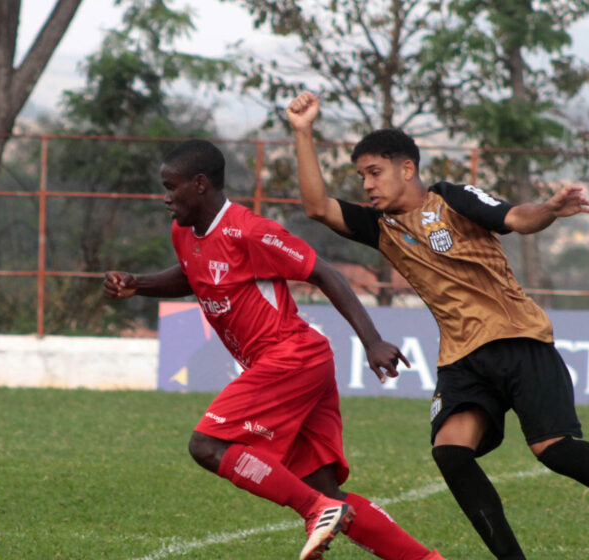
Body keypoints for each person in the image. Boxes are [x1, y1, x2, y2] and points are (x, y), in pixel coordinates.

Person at [286, 91, 589, 560]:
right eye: (361, 176)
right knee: (450, 452)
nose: (366, 185)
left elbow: (515, 219)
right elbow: (318, 207)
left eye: (374, 172)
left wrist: (548, 208)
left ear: (407, 169)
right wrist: (303, 131)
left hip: (518, 339)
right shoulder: (379, 226)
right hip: (461, 359)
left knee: (555, 450)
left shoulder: (452, 199)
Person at [103, 139, 446, 560]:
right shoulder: (184, 233)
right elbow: (193, 274)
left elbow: (324, 273)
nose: (166, 197)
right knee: (326, 487)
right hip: (296, 366)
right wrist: (139, 283)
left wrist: (372, 341)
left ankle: (315, 510)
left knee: (207, 445)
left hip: (292, 357)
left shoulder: (250, 231)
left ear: (199, 185)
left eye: (171, 187)